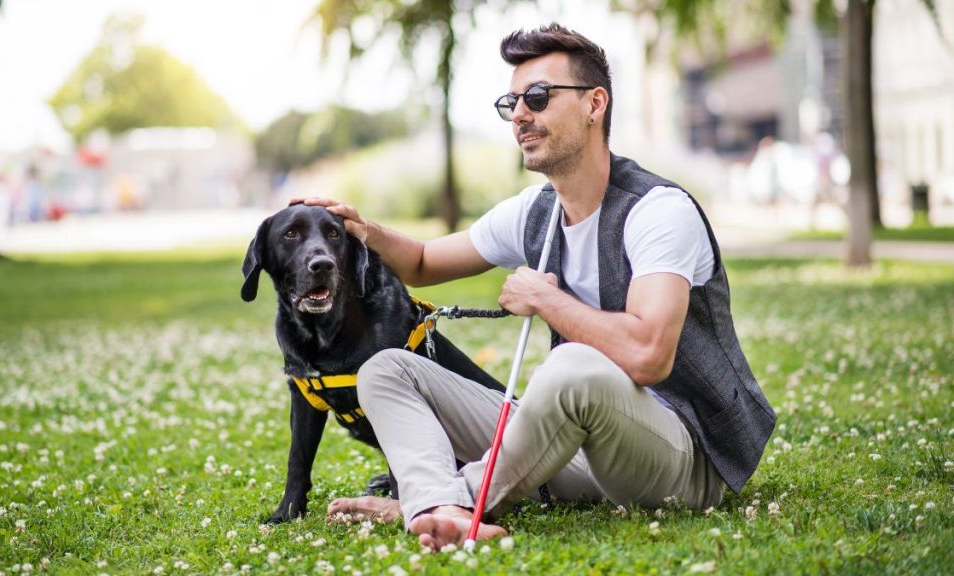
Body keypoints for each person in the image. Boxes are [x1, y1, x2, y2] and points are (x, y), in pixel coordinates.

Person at [304, 23, 776, 551]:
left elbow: (648, 356)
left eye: (538, 97)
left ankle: (446, 499)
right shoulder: (537, 210)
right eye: (513, 101)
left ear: (595, 104)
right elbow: (420, 261)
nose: (521, 114)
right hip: (575, 447)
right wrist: (366, 233)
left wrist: (546, 299)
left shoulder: (658, 212)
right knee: (386, 370)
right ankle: (438, 506)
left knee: (571, 366)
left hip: (682, 461)